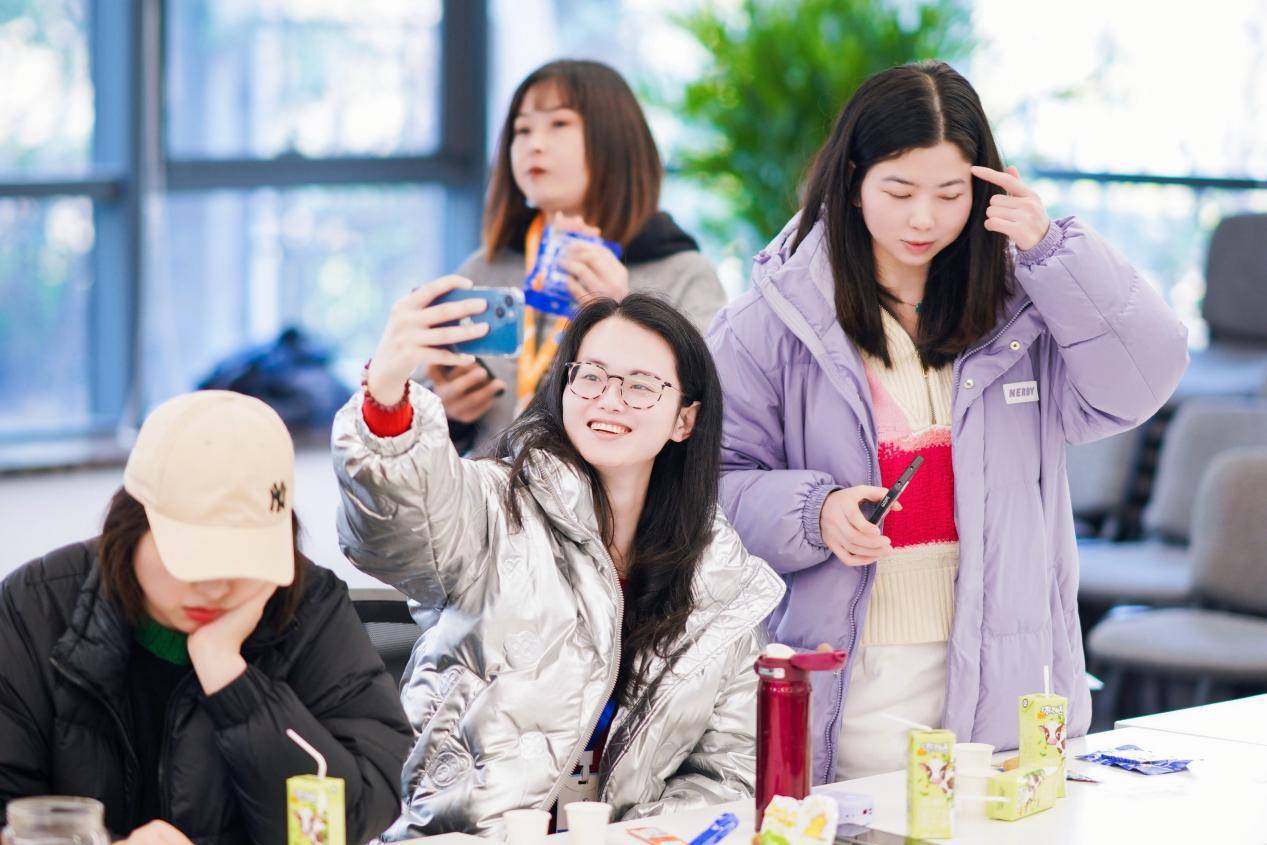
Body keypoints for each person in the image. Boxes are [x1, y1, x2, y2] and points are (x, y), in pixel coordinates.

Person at [707, 61, 1188, 781]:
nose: (923, 219)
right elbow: (706, 485)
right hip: (849, 680)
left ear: (985, 190)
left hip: (1006, 682)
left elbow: (1143, 378)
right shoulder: (766, 324)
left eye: (950, 193)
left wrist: (1054, 252)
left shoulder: (1025, 312)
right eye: (899, 191)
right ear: (852, 182)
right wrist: (814, 512)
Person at [333, 280, 782, 838]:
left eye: (641, 386)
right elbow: (397, 527)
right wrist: (387, 392)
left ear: (684, 420)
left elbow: (728, 771)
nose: (609, 399)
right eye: (590, 376)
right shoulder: (494, 504)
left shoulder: (720, 577)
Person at [0, 391, 412, 844]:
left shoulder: (310, 609)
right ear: (130, 528)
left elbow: (350, 818)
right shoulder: (34, 607)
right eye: (195, 558)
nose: (216, 588)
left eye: (242, 559)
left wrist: (231, 679)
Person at [430, 59, 727, 454]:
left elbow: (709, 429)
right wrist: (446, 413)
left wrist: (623, 316)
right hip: (488, 489)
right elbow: (416, 422)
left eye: (559, 124)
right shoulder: (484, 268)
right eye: (522, 129)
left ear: (616, 141)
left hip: (616, 496)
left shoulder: (684, 274)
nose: (534, 144)